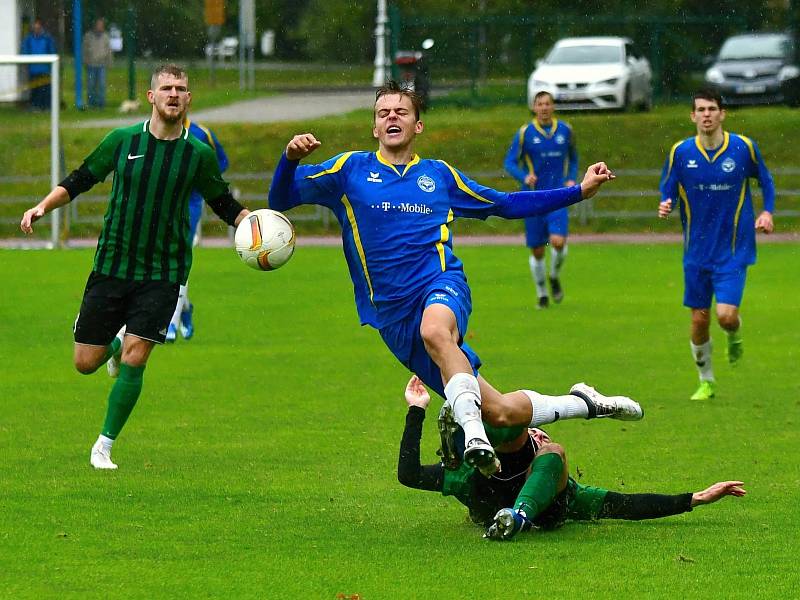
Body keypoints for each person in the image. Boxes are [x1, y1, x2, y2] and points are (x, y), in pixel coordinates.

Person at [269, 80, 638, 477]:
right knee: (501, 412)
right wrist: (289, 159)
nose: (392, 117)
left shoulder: (439, 176)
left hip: (441, 285)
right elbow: (280, 200)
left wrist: (578, 192)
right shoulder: (348, 170)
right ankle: (584, 402)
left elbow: (505, 204)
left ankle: (472, 434)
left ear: (418, 126)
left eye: (401, 112)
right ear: (374, 128)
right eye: (383, 113)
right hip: (391, 318)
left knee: (435, 331)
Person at [20, 64, 249, 469]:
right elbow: (79, 179)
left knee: (137, 354)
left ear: (189, 98)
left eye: (181, 88)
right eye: (167, 88)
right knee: (84, 363)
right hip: (113, 264)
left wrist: (255, 226)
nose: (174, 94)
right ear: (151, 96)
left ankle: (103, 445)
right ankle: (109, 346)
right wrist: (42, 206)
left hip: (163, 271)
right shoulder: (122, 140)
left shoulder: (197, 153)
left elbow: (223, 203)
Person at [398, 375, 746, 540]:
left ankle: (461, 415)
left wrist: (695, 499)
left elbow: (629, 506)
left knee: (540, 446)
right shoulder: (563, 485)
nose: (540, 434)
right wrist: (417, 409)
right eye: (537, 431)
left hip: (512, 501)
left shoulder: (469, 476)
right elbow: (626, 506)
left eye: (538, 431)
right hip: (510, 497)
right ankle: (582, 404)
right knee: (544, 446)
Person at [659, 89, 775, 401]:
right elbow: (667, 184)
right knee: (699, 318)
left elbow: (765, 179)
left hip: (734, 248)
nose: (707, 114)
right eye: (701, 109)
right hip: (696, 252)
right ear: (692, 116)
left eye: (712, 108)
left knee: (725, 315)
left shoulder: (743, 147)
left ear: (722, 114)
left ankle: (734, 333)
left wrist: (767, 212)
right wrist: (665, 202)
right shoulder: (681, 152)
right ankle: (706, 380)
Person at [504, 90, 578, 309]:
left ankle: (554, 275)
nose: (544, 108)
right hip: (533, 198)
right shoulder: (525, 133)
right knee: (537, 250)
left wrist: (571, 179)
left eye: (547, 103)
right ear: (534, 107)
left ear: (553, 106)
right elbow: (509, 162)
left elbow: (573, 158)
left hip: (558, 196)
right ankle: (542, 293)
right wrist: (524, 176)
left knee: (558, 241)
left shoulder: (565, 130)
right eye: (540, 104)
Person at [165, 118, 230, 342]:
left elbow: (221, 161)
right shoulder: (155, 130)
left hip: (190, 202)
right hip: (163, 202)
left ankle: (171, 322)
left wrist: (202, 178)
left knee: (179, 256)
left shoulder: (202, 133)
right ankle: (185, 309)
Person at [21, 17, 57, 111]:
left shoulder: (47, 38)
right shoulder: (29, 39)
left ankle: (46, 107)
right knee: (35, 89)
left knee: (44, 89)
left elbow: (52, 51)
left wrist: (51, 64)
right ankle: (35, 106)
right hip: (33, 69)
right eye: (35, 27)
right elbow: (25, 51)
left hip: (44, 69)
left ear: (41, 27)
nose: (36, 29)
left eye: (38, 27)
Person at [82, 17, 112, 109]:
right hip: (91, 64)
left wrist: (109, 62)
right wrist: (85, 61)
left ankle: (101, 104)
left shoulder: (106, 37)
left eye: (101, 25)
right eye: (98, 25)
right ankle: (91, 104)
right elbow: (84, 49)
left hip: (101, 64)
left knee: (101, 85)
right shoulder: (88, 36)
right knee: (91, 85)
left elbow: (109, 50)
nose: (100, 27)